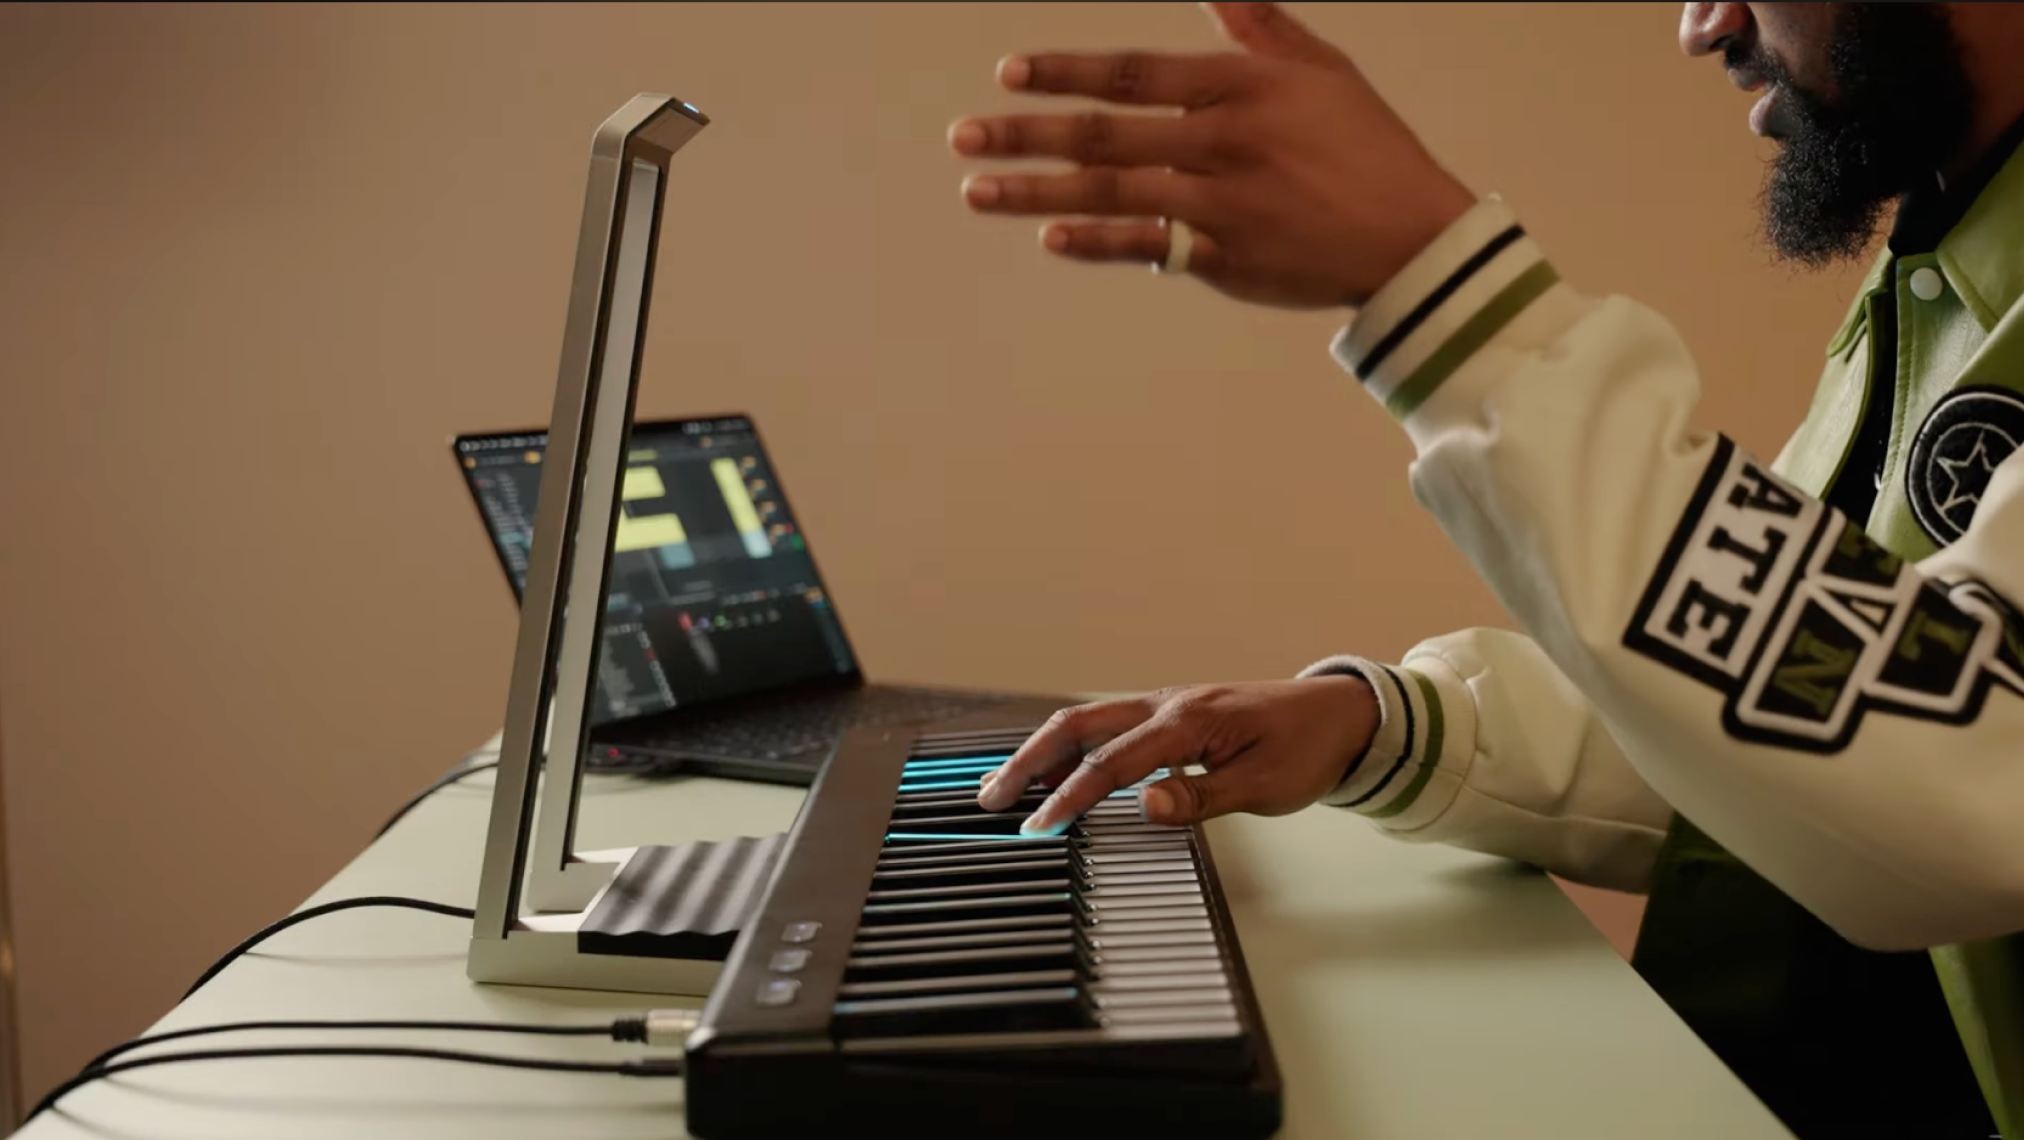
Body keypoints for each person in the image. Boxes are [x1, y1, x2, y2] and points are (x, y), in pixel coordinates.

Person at [948, 4, 2024, 1138]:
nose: (1702, 25)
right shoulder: (1943, 251)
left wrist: (1435, 288)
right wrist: (1392, 723)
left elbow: (1976, 785)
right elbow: (1824, 708)